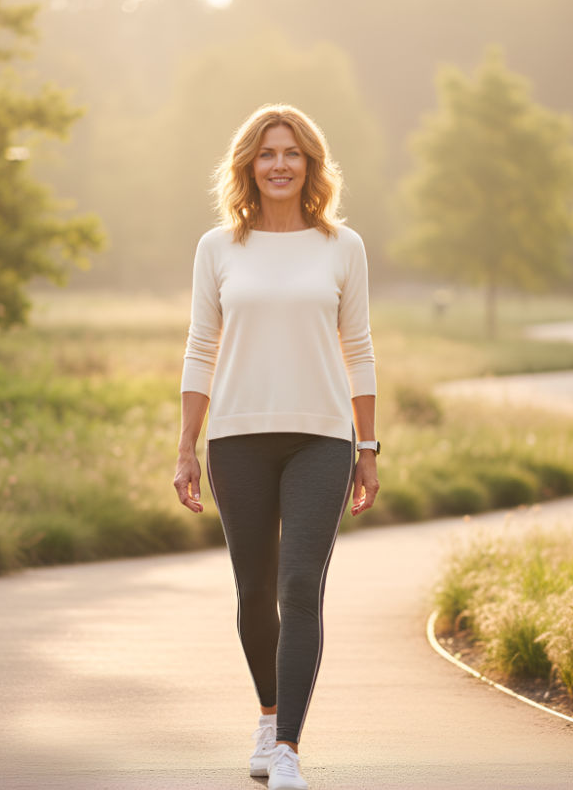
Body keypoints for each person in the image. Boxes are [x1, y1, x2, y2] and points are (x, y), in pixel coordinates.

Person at [173, 103, 379, 790]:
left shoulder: (341, 246)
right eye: (268, 153)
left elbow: (359, 349)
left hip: (322, 437)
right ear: (249, 166)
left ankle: (287, 744)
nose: (281, 163)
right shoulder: (217, 248)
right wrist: (185, 447)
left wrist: (368, 446)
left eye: (293, 153)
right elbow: (201, 348)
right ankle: (266, 712)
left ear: (311, 165)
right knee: (255, 590)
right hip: (237, 439)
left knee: (300, 586)